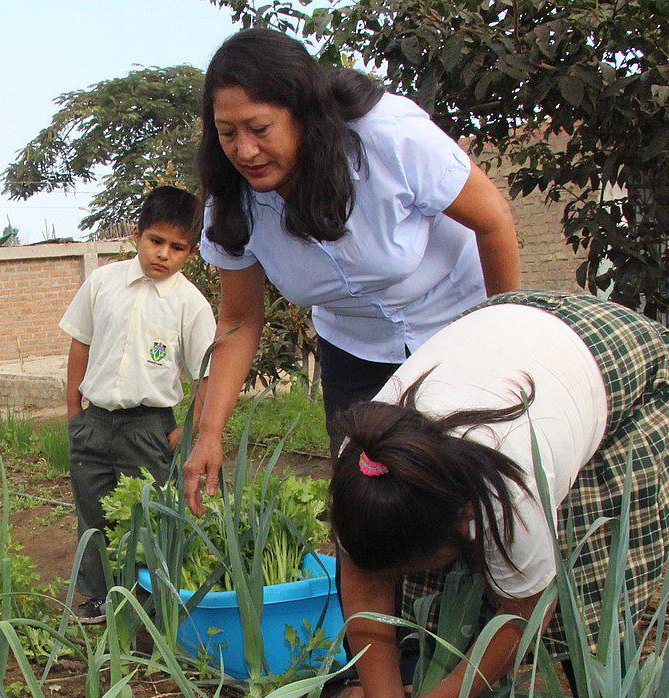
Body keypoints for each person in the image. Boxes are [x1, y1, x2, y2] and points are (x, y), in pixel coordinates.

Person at [183, 29, 521, 514]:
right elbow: (239, 321)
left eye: (260, 129)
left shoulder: (387, 136)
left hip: (457, 328)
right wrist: (210, 432)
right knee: (368, 515)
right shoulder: (231, 204)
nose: (245, 151)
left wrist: (506, 336)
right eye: (227, 133)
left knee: (473, 498)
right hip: (356, 350)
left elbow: (493, 222)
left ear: (301, 114)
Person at [324, 291, 669, 698]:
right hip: (501, 331)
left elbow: (521, 618)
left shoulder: (515, 497)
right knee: (432, 592)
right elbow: (367, 596)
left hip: (617, 359)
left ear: (464, 517)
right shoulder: (367, 468)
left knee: (590, 593)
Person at [61, 186, 216, 623]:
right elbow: (80, 344)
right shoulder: (103, 283)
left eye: (177, 247)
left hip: (150, 427)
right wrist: (74, 411)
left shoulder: (190, 304)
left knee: (145, 515)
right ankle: (97, 595)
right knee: (91, 512)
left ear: (193, 251)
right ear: (137, 235)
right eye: (156, 241)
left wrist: (188, 430)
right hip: (94, 422)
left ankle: (145, 597)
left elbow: (206, 374)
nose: (163, 254)